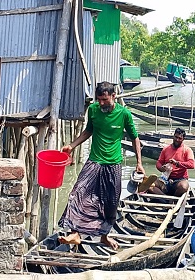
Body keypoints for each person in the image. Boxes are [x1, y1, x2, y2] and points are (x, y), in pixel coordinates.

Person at [57, 81, 145, 250]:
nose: (101, 103)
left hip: (113, 164)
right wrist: (72, 146)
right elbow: (88, 130)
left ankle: (104, 236)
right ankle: (75, 233)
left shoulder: (124, 114)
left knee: (111, 203)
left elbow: (135, 138)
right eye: (99, 99)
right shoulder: (94, 110)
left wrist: (139, 163)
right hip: (94, 161)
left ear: (114, 96)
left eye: (105, 99)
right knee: (78, 193)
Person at [149, 128, 195, 196]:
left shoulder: (187, 150)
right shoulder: (166, 149)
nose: (177, 140)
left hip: (180, 180)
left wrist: (177, 163)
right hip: (165, 179)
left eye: (180, 138)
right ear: (173, 136)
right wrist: (162, 168)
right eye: (176, 137)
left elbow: (192, 164)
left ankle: (174, 199)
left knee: (184, 187)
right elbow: (159, 162)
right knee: (148, 185)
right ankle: (165, 198)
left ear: (183, 139)